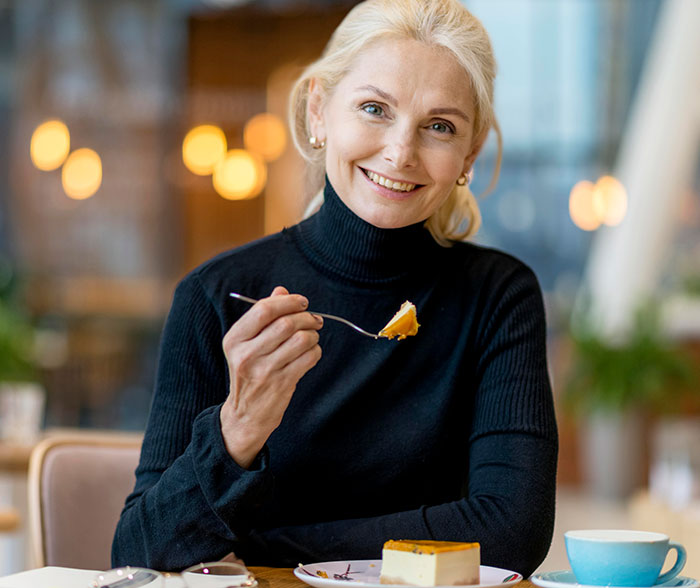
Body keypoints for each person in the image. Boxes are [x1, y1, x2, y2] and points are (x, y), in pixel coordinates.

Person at [113, 0, 557, 576]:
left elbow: (511, 531)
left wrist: (266, 547)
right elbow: (136, 553)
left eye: (439, 127)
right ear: (320, 111)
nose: (401, 152)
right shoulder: (216, 295)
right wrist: (237, 430)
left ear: (468, 154)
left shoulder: (499, 297)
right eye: (375, 108)